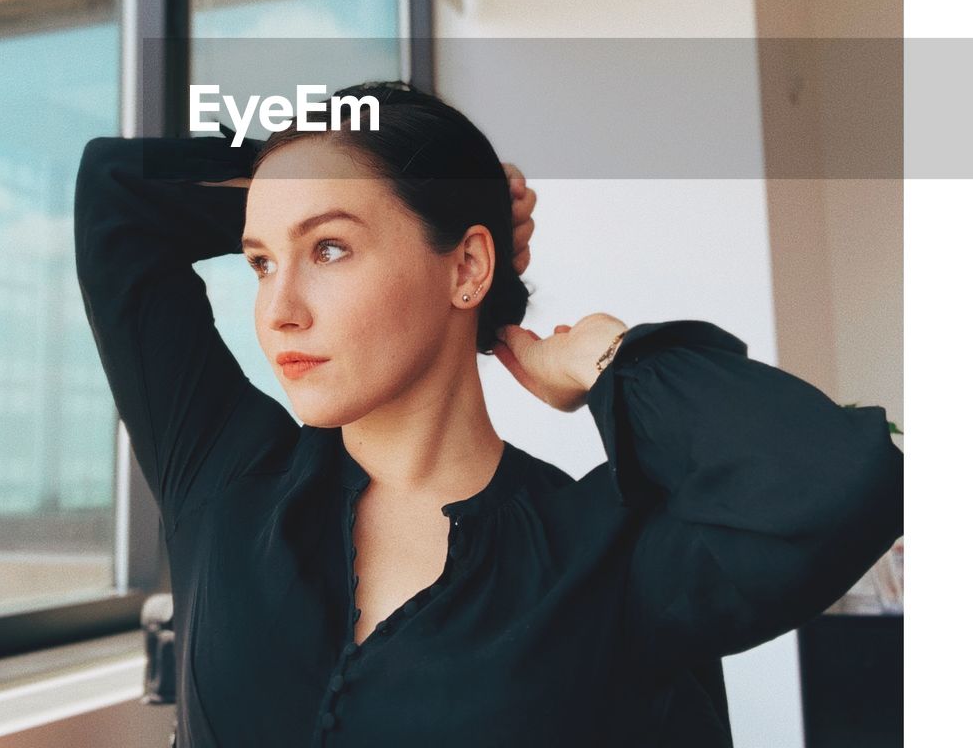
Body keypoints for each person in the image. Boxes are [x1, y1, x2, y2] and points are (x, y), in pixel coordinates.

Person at [73, 80, 903, 746]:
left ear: (466, 266)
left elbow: (839, 478)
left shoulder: (604, 556)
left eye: (329, 249)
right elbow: (116, 193)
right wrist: (330, 171)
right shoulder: (222, 478)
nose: (278, 309)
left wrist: (611, 357)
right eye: (260, 262)